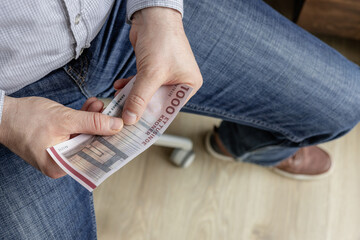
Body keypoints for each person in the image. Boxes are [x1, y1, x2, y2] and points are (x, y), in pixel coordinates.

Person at [0, 0, 359, 238]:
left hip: (118, 14)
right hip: (12, 93)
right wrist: (6, 117)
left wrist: (161, 9)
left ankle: (236, 145)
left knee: (344, 101)